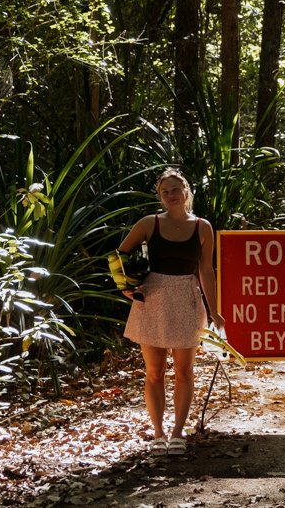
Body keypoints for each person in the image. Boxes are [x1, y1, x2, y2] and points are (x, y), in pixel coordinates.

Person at [118, 168, 225, 456]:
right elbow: (120, 255)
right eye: (165, 191)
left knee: (184, 371)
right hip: (152, 297)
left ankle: (178, 432)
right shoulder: (148, 223)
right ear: (160, 196)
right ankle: (158, 433)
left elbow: (206, 269)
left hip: (187, 298)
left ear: (186, 192)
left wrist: (213, 309)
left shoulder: (203, 226)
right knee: (154, 372)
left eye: (176, 189)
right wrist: (126, 286)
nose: (171, 195)